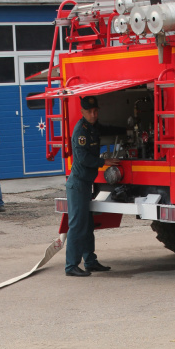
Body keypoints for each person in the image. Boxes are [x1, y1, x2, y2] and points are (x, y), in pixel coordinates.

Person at [65, 96, 125, 278]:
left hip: (86, 184)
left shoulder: (94, 126)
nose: (93, 114)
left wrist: (127, 129)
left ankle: (90, 261)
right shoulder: (81, 131)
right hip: (78, 184)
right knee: (77, 225)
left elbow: (107, 128)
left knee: (88, 224)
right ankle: (71, 266)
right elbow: (83, 158)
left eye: (95, 111)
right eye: (89, 112)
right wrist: (103, 161)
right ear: (82, 112)